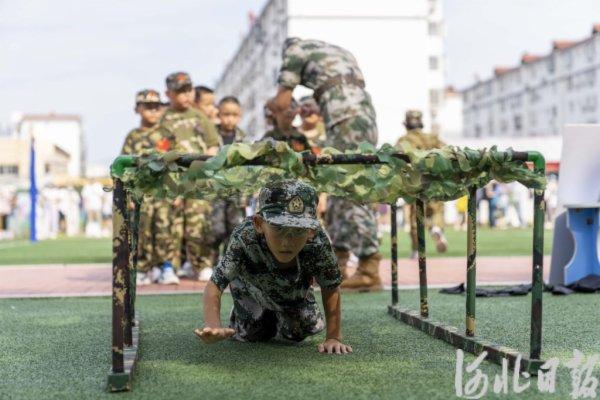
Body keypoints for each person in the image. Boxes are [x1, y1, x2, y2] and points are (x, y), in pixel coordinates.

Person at [267, 37, 381, 291]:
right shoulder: (337, 50)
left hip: (346, 118)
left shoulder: (294, 50)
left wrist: (275, 110)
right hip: (360, 116)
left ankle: (368, 267)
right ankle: (338, 265)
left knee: (352, 188)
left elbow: (282, 101)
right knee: (340, 186)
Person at [195, 180, 352, 354]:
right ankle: (248, 310)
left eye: (298, 231)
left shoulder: (318, 242)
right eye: (278, 229)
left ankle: (286, 312)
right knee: (251, 335)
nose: (287, 242)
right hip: (251, 290)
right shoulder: (244, 237)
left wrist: (333, 337)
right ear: (258, 224)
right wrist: (213, 325)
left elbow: (331, 286)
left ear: (311, 231)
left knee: (300, 331)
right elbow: (215, 284)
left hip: (293, 294)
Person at [159, 72, 220, 281]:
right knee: (172, 223)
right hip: (173, 179)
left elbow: (213, 144)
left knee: (199, 222)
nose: (185, 95)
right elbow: (159, 151)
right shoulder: (163, 118)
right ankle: (169, 266)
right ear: (168, 93)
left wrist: (204, 168)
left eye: (188, 90)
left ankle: (202, 264)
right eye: (179, 92)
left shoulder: (199, 116)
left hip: (198, 177)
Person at [121, 89, 179, 285]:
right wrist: (128, 196)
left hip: (163, 192)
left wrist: (177, 191)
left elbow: (176, 164)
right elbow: (125, 167)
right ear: (137, 109)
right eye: (148, 108)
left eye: (157, 107)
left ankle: (166, 267)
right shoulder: (132, 137)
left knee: (164, 228)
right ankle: (144, 268)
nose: (153, 111)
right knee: (141, 229)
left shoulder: (167, 135)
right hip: (141, 194)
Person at [395, 110, 448, 259]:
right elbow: (447, 151)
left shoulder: (403, 140)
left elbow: (395, 159)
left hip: (414, 183)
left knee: (415, 217)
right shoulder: (432, 138)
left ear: (406, 123)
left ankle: (416, 249)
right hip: (433, 181)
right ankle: (436, 228)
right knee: (437, 209)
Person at [207, 96, 247, 268]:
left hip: (236, 190)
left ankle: (230, 264)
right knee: (215, 229)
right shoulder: (211, 136)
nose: (229, 119)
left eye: (234, 115)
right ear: (218, 114)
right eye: (225, 114)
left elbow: (247, 168)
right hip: (215, 189)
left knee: (235, 228)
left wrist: (246, 193)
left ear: (239, 115)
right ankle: (211, 263)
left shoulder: (243, 138)